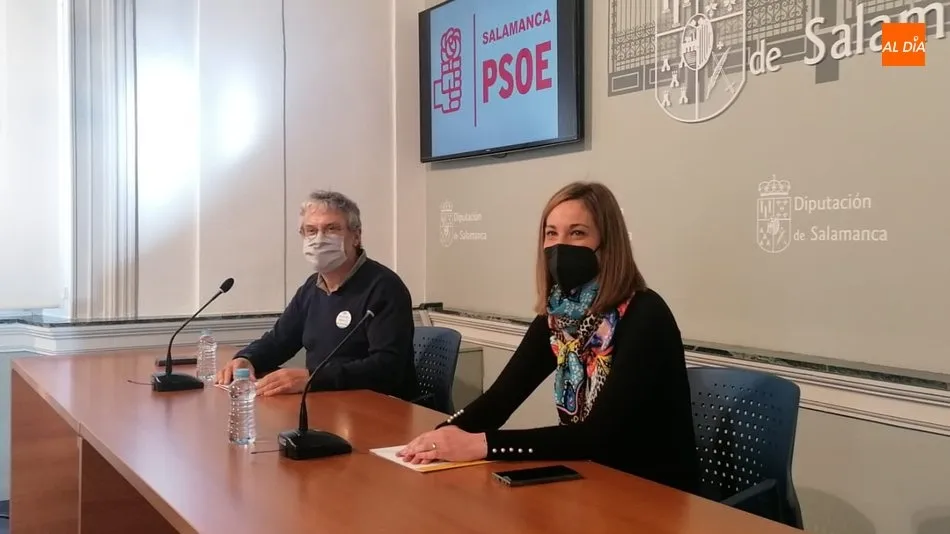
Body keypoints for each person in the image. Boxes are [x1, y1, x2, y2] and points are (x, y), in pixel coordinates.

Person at [397, 181, 700, 494]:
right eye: (551, 233)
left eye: (577, 233)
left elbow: (598, 435)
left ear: (608, 243)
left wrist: (483, 445)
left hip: (651, 491)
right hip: (589, 481)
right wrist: (442, 435)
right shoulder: (559, 315)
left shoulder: (645, 314)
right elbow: (500, 399)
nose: (560, 245)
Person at [215, 190, 418, 400]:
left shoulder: (384, 287)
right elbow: (279, 341)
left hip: (380, 408)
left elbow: (386, 368)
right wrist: (247, 359)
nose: (319, 239)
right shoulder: (312, 287)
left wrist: (313, 378)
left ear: (356, 236)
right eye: (311, 231)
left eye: (332, 229)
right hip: (325, 404)